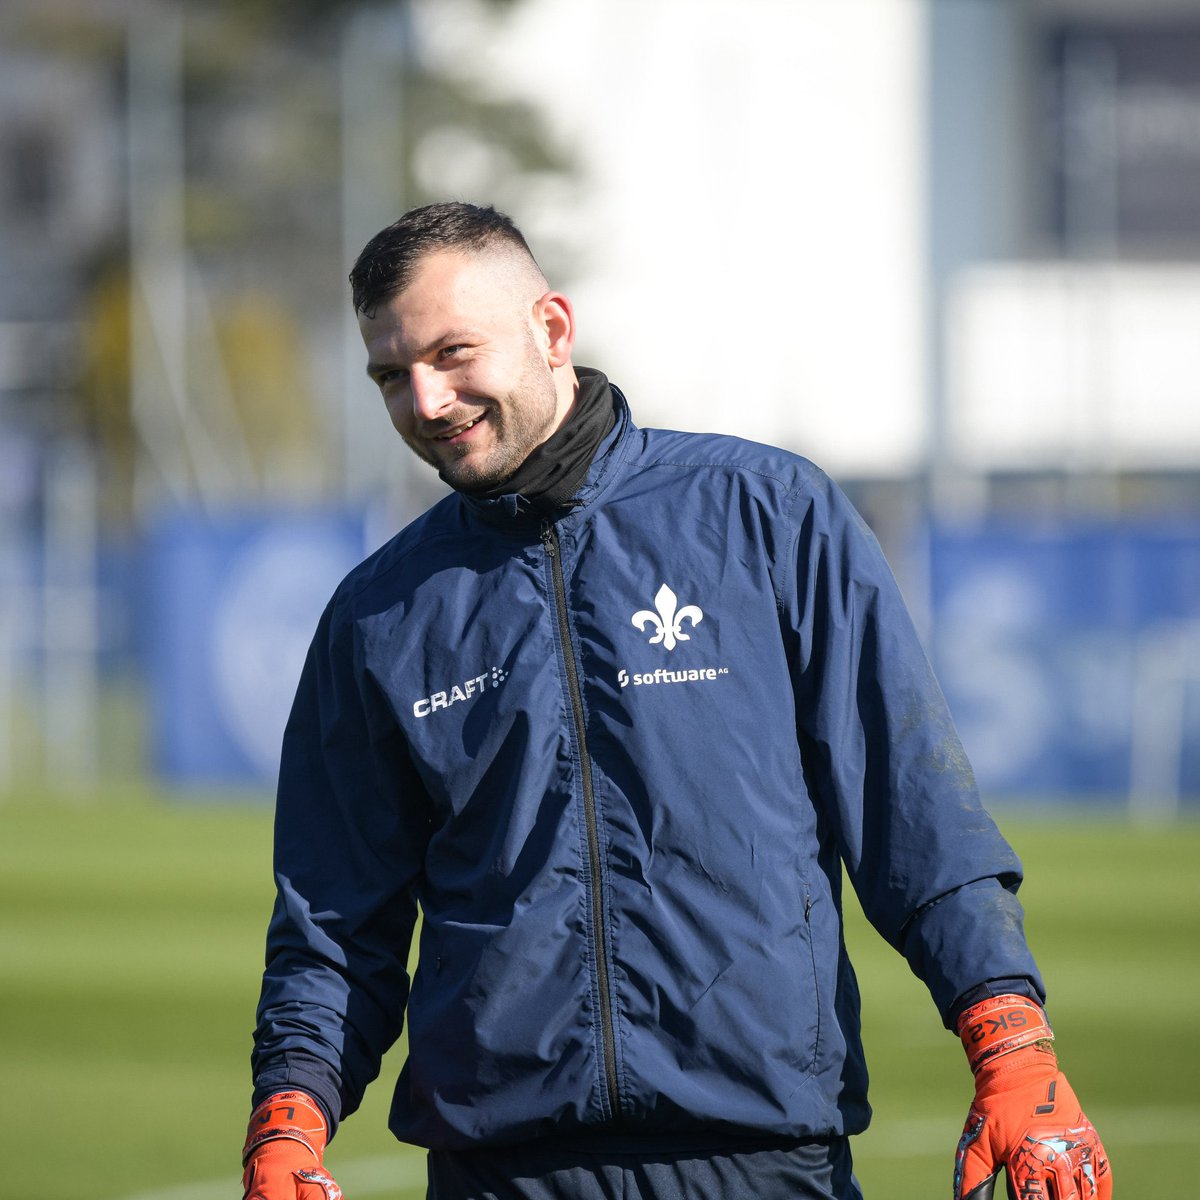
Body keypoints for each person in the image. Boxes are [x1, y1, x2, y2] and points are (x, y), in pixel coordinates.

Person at [242, 202, 1111, 1200]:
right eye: (392, 375)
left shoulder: (770, 515)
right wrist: (288, 1123)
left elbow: (913, 813)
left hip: (761, 1159)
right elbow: (333, 921)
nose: (427, 399)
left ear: (552, 330)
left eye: (452, 353)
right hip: (502, 1175)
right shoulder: (378, 616)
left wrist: (1010, 1041)